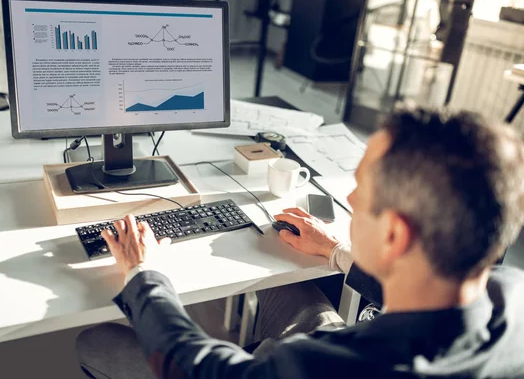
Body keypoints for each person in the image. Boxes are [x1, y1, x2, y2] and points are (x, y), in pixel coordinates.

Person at [76, 109, 524, 378]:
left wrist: (143, 274)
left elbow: (202, 369)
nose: (348, 198)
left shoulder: (320, 369)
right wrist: (335, 251)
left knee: (93, 342)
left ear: (394, 235)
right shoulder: (513, 296)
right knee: (279, 280)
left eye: (361, 189)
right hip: (357, 342)